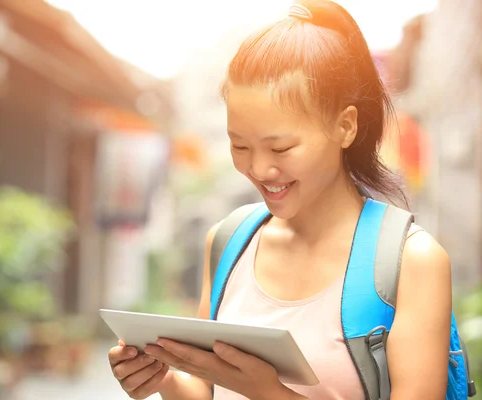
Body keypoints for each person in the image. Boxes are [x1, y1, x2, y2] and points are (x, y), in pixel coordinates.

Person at [107, 1, 452, 399]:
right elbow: (203, 390)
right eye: (239, 145)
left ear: (345, 126)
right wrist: (162, 376)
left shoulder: (410, 261)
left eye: (281, 148)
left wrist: (267, 391)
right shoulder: (228, 241)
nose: (259, 169)